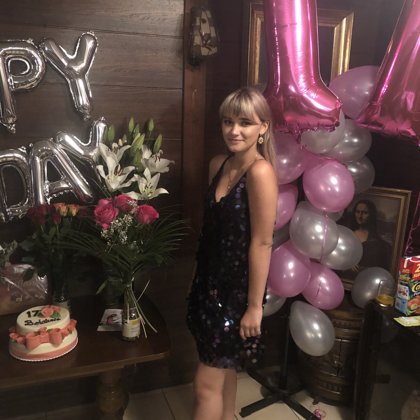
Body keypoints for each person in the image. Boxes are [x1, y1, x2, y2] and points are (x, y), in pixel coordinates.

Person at [186, 87, 278, 420]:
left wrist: (254, 307)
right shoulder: (218, 164)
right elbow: (210, 233)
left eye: (245, 123)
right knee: (223, 368)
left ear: (263, 127)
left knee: (204, 386)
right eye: (228, 121)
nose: (234, 130)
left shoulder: (260, 172)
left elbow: (262, 242)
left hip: (236, 293)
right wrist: (196, 280)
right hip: (208, 284)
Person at [342, 199, 391, 278]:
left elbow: (380, 268)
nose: (360, 216)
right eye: (357, 212)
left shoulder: (378, 242)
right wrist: (348, 263)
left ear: (371, 215)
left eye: (365, 213)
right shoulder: (347, 234)